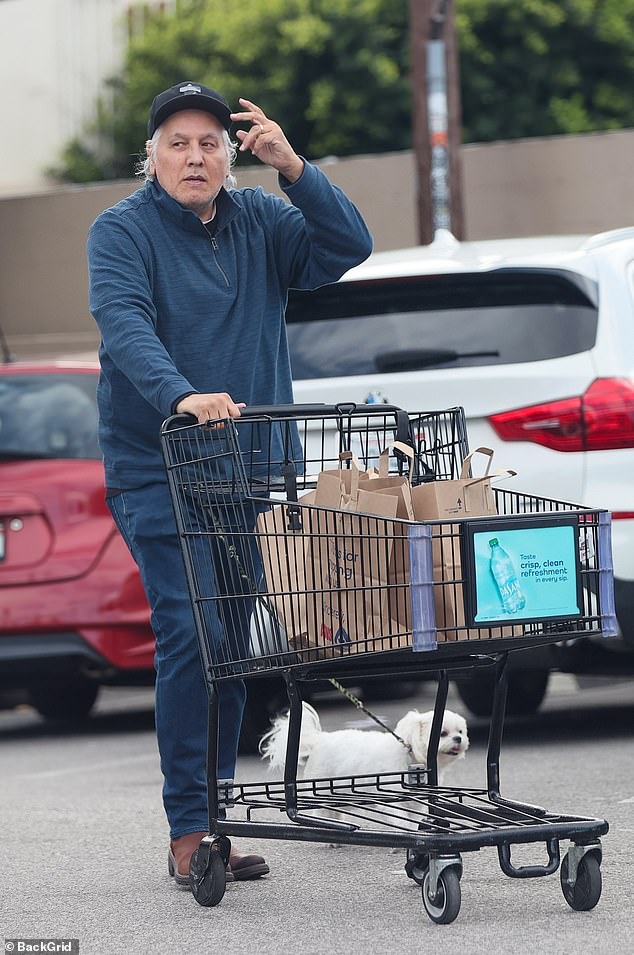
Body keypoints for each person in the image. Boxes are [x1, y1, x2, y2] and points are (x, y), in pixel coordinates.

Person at [86, 81, 372, 890]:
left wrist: (295, 167)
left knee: (232, 644)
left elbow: (347, 247)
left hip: (251, 469)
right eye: (177, 141)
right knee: (192, 635)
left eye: (211, 141)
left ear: (231, 154)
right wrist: (181, 394)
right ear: (153, 155)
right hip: (160, 471)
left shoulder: (264, 218)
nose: (194, 156)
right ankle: (190, 825)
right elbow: (124, 322)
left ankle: (216, 814)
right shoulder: (121, 231)